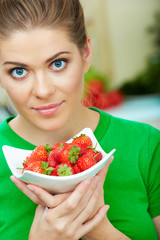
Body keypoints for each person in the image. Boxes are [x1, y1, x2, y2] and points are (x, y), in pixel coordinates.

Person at [0, 0, 159, 239]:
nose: (42, 91)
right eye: (19, 71)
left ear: (85, 53)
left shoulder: (147, 145)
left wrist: (98, 228)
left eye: (58, 63)